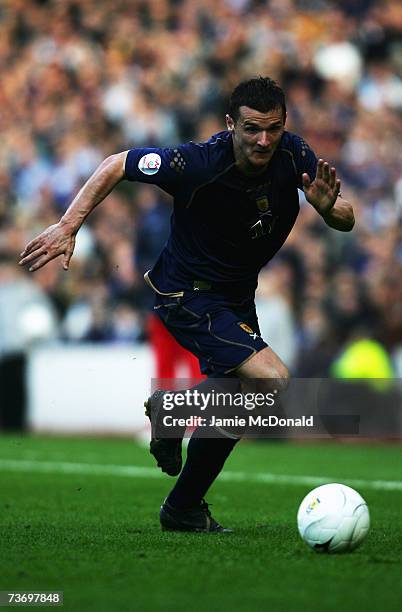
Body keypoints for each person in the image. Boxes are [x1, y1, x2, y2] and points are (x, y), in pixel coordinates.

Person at [19, 77, 354, 532]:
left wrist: (329, 209)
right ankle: (171, 413)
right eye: (252, 128)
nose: (263, 140)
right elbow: (117, 163)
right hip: (186, 293)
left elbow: (345, 218)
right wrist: (67, 225)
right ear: (230, 123)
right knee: (273, 380)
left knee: (241, 402)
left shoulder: (294, 155)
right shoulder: (195, 162)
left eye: (273, 128)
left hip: (235, 297)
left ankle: (183, 507)